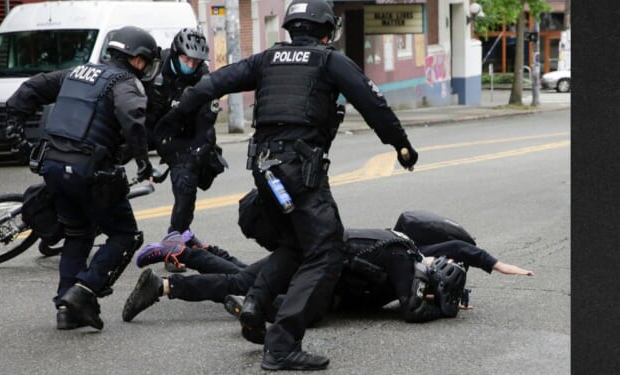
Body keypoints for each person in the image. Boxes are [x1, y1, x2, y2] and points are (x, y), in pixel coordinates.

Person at [155, 0, 418, 370]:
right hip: (298, 171)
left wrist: (171, 119)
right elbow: (372, 102)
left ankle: (256, 305)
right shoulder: (329, 60)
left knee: (296, 245)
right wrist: (401, 145)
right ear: (326, 31)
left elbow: (211, 84)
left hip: (265, 171)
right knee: (327, 250)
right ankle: (281, 344)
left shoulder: (265, 60)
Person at [121, 207, 533, 326]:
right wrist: (442, 303)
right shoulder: (402, 255)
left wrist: (485, 271)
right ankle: (163, 286)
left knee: (247, 277)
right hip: (311, 253)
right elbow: (412, 305)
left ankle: (188, 250)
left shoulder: (410, 255)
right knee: (246, 281)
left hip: (316, 261)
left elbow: (456, 251)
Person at [4, 26, 160, 331]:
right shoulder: (125, 82)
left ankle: (67, 309)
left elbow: (28, 90)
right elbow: (132, 117)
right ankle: (84, 291)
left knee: (78, 234)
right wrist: (143, 162)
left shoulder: (75, 73)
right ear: (138, 60)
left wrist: (17, 134)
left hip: (51, 166)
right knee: (125, 235)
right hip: (90, 171)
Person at [144, 28, 242, 273]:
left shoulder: (203, 79)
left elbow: (205, 125)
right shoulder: (156, 68)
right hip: (149, 131)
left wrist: (194, 155)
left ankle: (174, 244)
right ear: (176, 54)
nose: (191, 64)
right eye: (186, 59)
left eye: (196, 61)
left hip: (183, 139)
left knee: (186, 188)